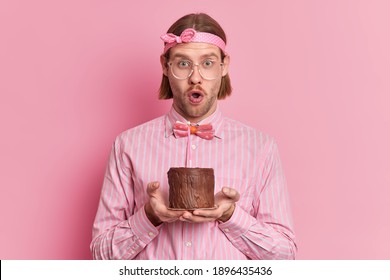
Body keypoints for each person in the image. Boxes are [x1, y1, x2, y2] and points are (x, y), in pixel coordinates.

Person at [90, 12, 297, 260]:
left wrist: (230, 215)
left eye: (207, 63)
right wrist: (149, 216)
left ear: (224, 66)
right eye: (183, 63)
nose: (195, 77)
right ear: (165, 67)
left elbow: (285, 256)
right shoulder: (128, 145)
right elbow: (100, 255)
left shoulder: (261, 148)